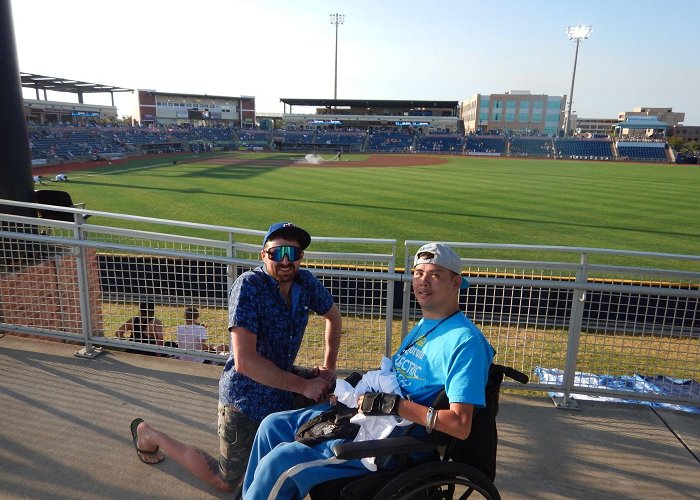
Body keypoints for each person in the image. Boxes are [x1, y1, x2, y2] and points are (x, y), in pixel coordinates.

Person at [242, 242, 495, 500]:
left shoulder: (466, 343)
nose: (423, 281)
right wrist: (354, 387)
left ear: (456, 283)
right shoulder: (425, 325)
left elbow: (460, 425)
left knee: (282, 461)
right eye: (418, 273)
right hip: (372, 413)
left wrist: (393, 405)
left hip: (394, 438)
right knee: (271, 426)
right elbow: (393, 375)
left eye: (435, 275)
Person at [130, 222, 342, 494]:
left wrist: (328, 367)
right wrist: (304, 385)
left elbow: (333, 316)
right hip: (246, 397)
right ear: (262, 255)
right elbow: (245, 361)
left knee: (329, 390)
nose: (287, 260)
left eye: (294, 253)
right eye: (277, 253)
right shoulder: (249, 287)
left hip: (281, 384)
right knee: (227, 482)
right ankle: (150, 433)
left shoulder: (305, 282)